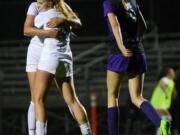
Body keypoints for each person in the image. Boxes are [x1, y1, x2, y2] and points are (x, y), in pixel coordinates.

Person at [103, 0, 171, 135]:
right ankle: (161, 123)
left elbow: (115, 24)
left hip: (119, 52)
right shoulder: (133, 2)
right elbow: (144, 26)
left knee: (112, 95)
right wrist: (135, 42)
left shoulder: (109, 2)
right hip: (138, 52)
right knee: (137, 97)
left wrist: (122, 46)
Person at [26, 0, 93, 135]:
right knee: (72, 100)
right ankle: (87, 132)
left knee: (37, 100)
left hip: (50, 57)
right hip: (66, 58)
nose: (38, 2)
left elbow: (27, 30)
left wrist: (52, 29)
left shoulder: (42, 15)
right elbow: (77, 22)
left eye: (41, 0)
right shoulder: (63, 11)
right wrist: (64, 20)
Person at [24, 1, 63, 135]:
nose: (38, 1)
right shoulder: (34, 6)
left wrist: (63, 19)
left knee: (40, 99)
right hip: (35, 52)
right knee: (35, 99)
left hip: (49, 53)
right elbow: (26, 30)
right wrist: (48, 33)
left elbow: (77, 20)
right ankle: (32, 132)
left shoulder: (59, 6)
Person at [151, 67, 175, 135]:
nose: (173, 73)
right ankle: (164, 133)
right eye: (172, 72)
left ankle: (162, 133)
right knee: (167, 117)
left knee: (166, 118)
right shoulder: (165, 79)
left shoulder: (171, 81)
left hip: (163, 104)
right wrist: (166, 93)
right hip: (158, 103)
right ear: (168, 73)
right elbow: (162, 85)